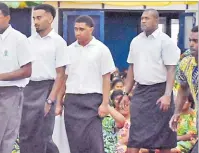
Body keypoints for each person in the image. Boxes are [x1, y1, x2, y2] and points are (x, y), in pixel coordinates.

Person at [121, 9, 181, 153]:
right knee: (135, 135)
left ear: (156, 21)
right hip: (140, 91)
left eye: (147, 18)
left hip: (161, 91)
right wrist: (125, 93)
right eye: (142, 18)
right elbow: (131, 69)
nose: (143, 21)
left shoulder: (165, 41)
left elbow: (171, 70)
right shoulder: (136, 41)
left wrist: (167, 95)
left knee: (164, 139)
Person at [0, 3, 33, 153]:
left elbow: (27, 71)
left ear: (7, 18)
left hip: (11, 93)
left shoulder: (19, 39)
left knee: (5, 137)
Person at [61, 15, 115, 153]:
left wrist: (104, 103)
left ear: (91, 29)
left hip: (92, 101)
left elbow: (106, 78)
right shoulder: (68, 50)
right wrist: (58, 101)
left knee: (94, 142)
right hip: (72, 100)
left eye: (81, 29)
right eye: (75, 29)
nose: (77, 32)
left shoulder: (102, 50)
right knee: (74, 142)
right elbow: (63, 78)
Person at [19, 4, 68, 153]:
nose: (35, 22)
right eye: (34, 18)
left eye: (39, 18)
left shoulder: (58, 42)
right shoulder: (27, 41)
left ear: (50, 18)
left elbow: (61, 74)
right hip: (27, 89)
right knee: (25, 133)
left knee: (42, 134)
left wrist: (50, 100)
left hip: (47, 89)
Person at [170, 26, 198, 153]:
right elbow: (183, 87)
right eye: (190, 40)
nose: (191, 44)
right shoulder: (185, 62)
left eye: (196, 41)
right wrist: (177, 112)